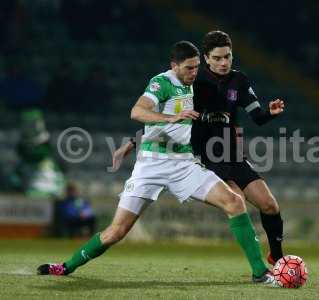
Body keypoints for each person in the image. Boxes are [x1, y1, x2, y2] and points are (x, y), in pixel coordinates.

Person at [37, 41, 277, 286]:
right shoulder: (161, 83)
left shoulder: (198, 85)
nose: (194, 73)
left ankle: (260, 272)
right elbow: (137, 111)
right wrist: (168, 120)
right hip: (152, 164)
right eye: (188, 68)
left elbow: (216, 113)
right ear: (174, 66)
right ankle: (65, 267)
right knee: (116, 232)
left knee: (234, 202)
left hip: (184, 162)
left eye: (196, 68)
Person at [191, 31, 285, 265]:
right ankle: (257, 266)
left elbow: (258, 117)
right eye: (218, 58)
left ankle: (277, 256)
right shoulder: (194, 81)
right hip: (210, 157)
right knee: (237, 202)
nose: (224, 63)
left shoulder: (239, 81)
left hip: (234, 155)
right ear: (206, 58)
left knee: (270, 205)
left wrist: (270, 113)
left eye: (228, 57)